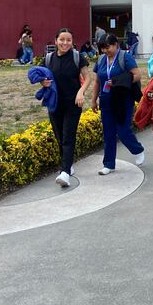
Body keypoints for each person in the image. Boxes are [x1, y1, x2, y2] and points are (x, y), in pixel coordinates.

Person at [41, 28, 93, 188]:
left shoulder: (78, 57)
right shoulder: (49, 59)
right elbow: (42, 76)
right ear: (56, 41)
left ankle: (65, 173)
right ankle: (68, 164)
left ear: (72, 42)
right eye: (62, 40)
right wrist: (43, 82)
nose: (65, 43)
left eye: (68, 40)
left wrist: (81, 92)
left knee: (68, 136)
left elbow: (88, 77)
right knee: (59, 137)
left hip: (73, 103)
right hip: (54, 103)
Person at [90, 34, 145, 175]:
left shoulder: (124, 57)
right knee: (108, 133)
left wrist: (117, 81)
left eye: (107, 47)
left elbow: (137, 75)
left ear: (116, 45)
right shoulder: (101, 59)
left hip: (123, 100)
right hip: (106, 100)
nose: (105, 51)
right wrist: (93, 99)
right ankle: (109, 164)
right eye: (102, 48)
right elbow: (97, 81)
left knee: (122, 130)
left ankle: (137, 149)